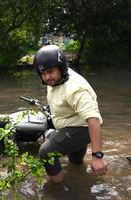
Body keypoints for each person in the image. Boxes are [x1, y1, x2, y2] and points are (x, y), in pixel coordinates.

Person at [34, 45, 108, 182]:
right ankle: (79, 179)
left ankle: (59, 186)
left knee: (46, 152)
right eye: (43, 74)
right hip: (71, 122)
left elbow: (93, 120)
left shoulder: (75, 89)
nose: (47, 77)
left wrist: (97, 156)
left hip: (83, 128)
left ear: (61, 69)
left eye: (50, 72)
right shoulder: (57, 79)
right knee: (75, 161)